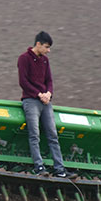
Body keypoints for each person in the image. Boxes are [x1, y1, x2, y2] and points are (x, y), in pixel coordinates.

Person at [18, 31, 77, 179]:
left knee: (52, 135)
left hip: (46, 102)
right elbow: (23, 82)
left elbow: (49, 80)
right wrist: (39, 94)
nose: (48, 51)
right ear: (38, 44)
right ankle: (39, 166)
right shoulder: (24, 59)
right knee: (34, 134)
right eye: (46, 47)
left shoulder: (45, 61)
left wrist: (49, 93)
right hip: (31, 101)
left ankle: (60, 168)